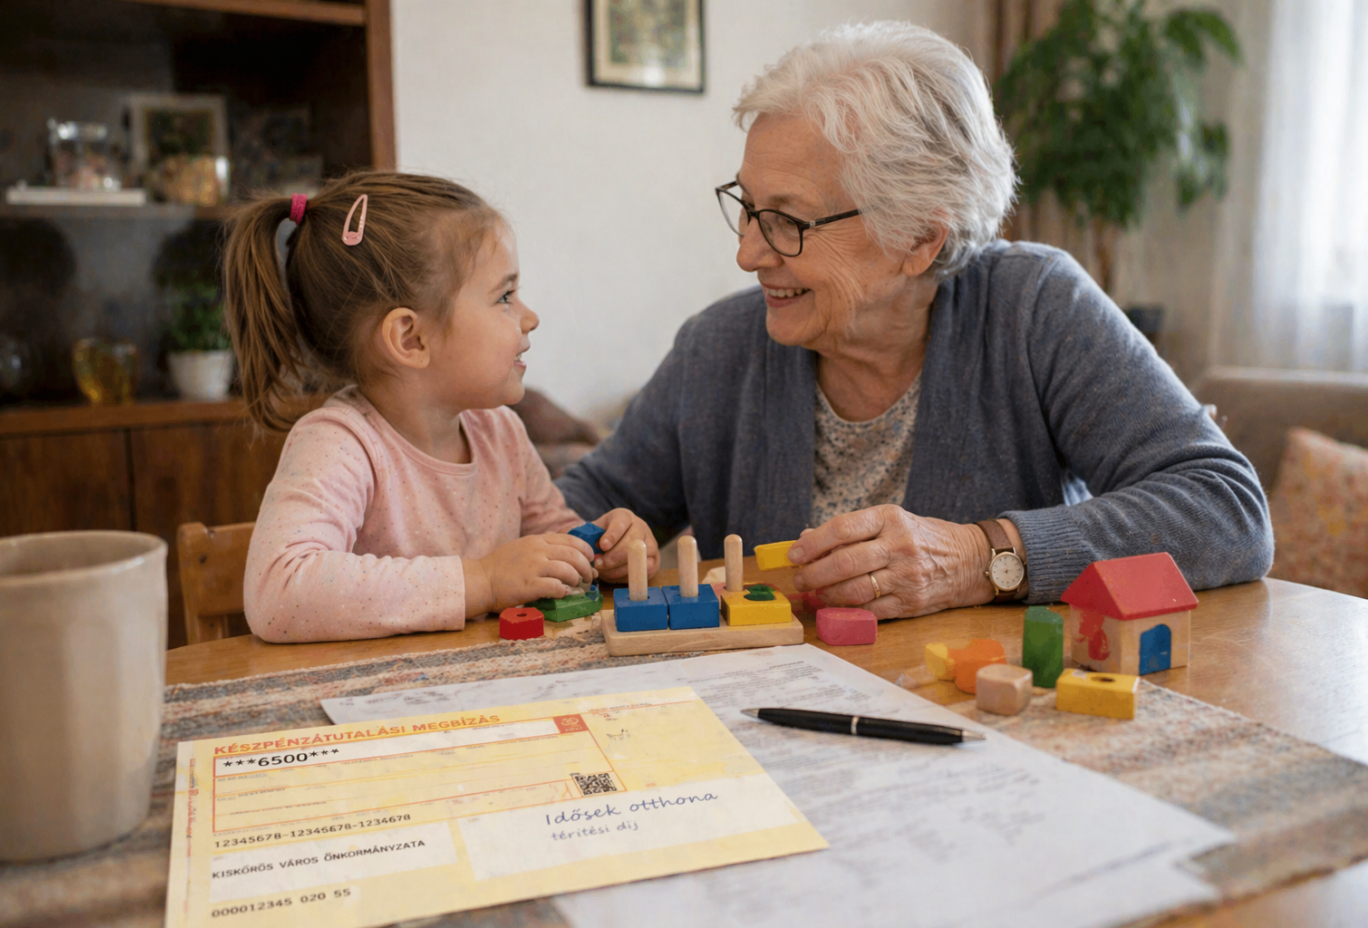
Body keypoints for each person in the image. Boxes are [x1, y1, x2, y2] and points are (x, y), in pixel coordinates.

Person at [557, 22, 1273, 617]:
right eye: (747, 206)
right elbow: (566, 512)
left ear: (919, 239)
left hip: (990, 728)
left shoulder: (1033, 307)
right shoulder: (719, 348)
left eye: (786, 222)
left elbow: (1227, 510)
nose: (747, 253)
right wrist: (603, 540)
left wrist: (979, 557)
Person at [224, 173, 657, 642]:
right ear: (411, 339)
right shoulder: (338, 444)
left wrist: (602, 551)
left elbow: (552, 544)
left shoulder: (501, 433)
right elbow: (279, 591)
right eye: (505, 297)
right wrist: (484, 581)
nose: (530, 317)